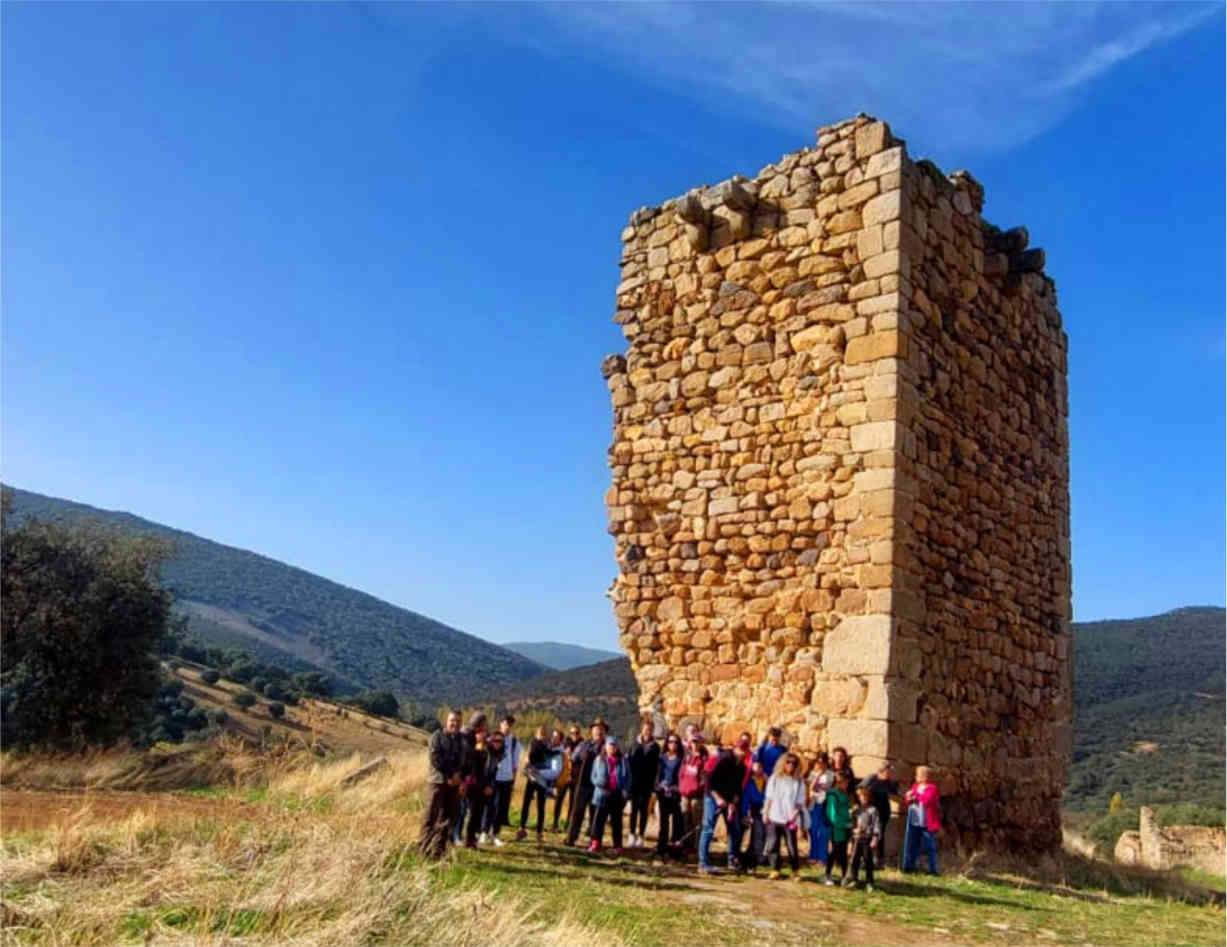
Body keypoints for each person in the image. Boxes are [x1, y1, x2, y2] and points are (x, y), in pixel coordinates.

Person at [418, 710, 465, 859]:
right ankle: (423, 850)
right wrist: (449, 776)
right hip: (437, 782)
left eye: (458, 721)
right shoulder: (437, 737)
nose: (455, 723)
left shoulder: (461, 740)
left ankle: (438, 850)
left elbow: (465, 761)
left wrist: (459, 777)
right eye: (452, 720)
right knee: (430, 816)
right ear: (446, 721)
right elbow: (436, 759)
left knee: (447, 818)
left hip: (453, 785)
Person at [698, 738, 747, 875]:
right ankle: (703, 863)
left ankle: (732, 859)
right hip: (713, 797)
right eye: (740, 749)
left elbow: (737, 789)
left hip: (728, 800)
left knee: (735, 829)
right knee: (708, 829)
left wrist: (733, 803)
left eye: (745, 750)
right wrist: (718, 798)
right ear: (735, 748)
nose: (742, 752)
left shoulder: (742, 767)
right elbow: (709, 780)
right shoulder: (724, 760)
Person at [762, 751, 806, 880]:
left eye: (794, 763)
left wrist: (794, 814)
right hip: (774, 816)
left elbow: (800, 801)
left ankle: (795, 871)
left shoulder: (798, 782)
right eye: (788, 762)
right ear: (783, 763)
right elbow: (769, 797)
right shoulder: (775, 778)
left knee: (792, 846)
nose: (791, 765)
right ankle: (775, 869)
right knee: (774, 844)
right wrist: (765, 812)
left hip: (789, 818)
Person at [565, 719, 607, 846]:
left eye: (601, 729)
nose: (598, 731)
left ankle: (594, 841)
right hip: (582, 783)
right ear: (592, 731)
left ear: (605, 732)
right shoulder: (584, 744)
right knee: (577, 812)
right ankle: (571, 838)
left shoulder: (608, 746)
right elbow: (574, 758)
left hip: (598, 786)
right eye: (596, 728)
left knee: (596, 814)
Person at [482, 715, 520, 846]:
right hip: (493, 778)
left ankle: (495, 834)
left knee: (500, 809)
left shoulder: (515, 743)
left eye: (510, 724)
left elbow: (515, 765)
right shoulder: (491, 739)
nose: (507, 726)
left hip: (507, 780)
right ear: (500, 724)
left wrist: (513, 783)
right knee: (489, 806)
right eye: (505, 723)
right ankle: (484, 832)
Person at [589, 736, 631, 854]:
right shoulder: (599, 760)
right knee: (598, 821)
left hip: (616, 794)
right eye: (610, 745)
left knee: (616, 822)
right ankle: (595, 843)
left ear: (617, 747)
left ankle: (617, 845)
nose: (612, 747)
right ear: (605, 747)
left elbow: (628, 778)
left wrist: (626, 791)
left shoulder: (623, 761)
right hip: (602, 794)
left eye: (614, 745)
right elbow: (593, 777)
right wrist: (600, 783)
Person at [453, 711, 488, 843]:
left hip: (470, 776)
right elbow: (465, 757)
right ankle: (456, 835)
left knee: (467, 809)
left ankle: (465, 837)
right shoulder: (466, 734)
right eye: (484, 724)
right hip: (463, 777)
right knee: (460, 809)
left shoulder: (471, 735)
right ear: (479, 724)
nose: (485, 727)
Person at [464, 725, 501, 848]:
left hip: (484, 786)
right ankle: (468, 840)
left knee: (478, 814)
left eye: (484, 733)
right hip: (473, 785)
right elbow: (472, 770)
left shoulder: (489, 750)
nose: (482, 735)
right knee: (472, 813)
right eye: (480, 733)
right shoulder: (472, 749)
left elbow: (492, 769)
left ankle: (473, 839)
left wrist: (489, 785)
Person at [902, 765, 941, 875]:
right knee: (912, 844)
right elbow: (908, 800)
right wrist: (908, 798)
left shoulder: (932, 788)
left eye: (918, 775)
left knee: (930, 846)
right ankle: (909, 866)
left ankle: (933, 869)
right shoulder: (915, 786)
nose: (916, 776)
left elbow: (927, 800)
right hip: (915, 820)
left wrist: (916, 794)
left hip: (926, 822)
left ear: (925, 777)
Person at [516, 725, 552, 841]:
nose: (542, 735)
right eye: (541, 733)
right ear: (537, 733)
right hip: (534, 776)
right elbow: (530, 758)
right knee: (532, 804)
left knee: (537, 805)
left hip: (538, 777)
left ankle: (536, 831)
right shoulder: (538, 744)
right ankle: (526, 829)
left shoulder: (543, 744)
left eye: (543, 733)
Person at [628, 718, 660, 848]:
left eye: (650, 729)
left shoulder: (656, 747)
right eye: (646, 729)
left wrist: (654, 785)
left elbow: (657, 767)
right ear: (642, 729)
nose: (648, 731)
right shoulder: (634, 744)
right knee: (633, 810)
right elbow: (628, 762)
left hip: (647, 783)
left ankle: (641, 835)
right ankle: (631, 834)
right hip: (634, 783)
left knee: (644, 811)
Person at [860, 761, 898, 868]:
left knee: (879, 837)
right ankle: (866, 860)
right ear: (883, 771)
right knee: (867, 836)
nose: (891, 774)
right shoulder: (871, 779)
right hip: (871, 814)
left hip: (883, 813)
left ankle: (878, 861)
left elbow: (895, 793)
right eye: (889, 772)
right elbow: (860, 790)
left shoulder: (888, 782)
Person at [846, 784, 883, 890]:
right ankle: (854, 879)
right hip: (857, 838)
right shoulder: (856, 810)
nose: (863, 799)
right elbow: (850, 823)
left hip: (867, 838)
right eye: (861, 797)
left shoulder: (873, 810)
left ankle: (869, 882)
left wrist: (875, 838)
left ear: (869, 797)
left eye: (865, 797)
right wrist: (853, 828)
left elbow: (877, 825)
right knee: (854, 860)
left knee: (868, 861)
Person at [654, 733, 684, 858]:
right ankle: (661, 848)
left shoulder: (681, 759)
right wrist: (659, 787)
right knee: (664, 823)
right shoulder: (662, 758)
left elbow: (681, 776)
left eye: (676, 742)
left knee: (677, 823)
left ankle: (675, 850)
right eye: (670, 741)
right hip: (663, 794)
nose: (673, 744)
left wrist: (676, 788)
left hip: (676, 795)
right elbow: (657, 775)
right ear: (667, 743)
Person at [678, 731, 708, 854]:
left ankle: (697, 847)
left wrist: (697, 789)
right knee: (686, 820)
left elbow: (705, 778)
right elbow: (681, 773)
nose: (694, 744)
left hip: (697, 796)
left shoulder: (703, 758)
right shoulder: (687, 757)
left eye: (697, 742)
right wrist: (681, 788)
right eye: (693, 742)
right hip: (685, 795)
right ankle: (687, 845)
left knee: (697, 823)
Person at [824, 771, 853, 885]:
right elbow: (832, 813)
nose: (847, 784)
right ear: (839, 782)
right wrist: (843, 824)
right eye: (845, 782)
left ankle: (844, 876)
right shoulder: (833, 794)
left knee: (843, 852)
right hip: (837, 828)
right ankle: (827, 875)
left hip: (845, 828)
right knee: (834, 852)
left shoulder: (844, 794)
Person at [740, 758, 768, 873]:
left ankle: (749, 863)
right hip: (755, 810)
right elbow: (746, 799)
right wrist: (746, 813)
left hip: (766, 810)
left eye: (760, 767)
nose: (758, 770)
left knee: (762, 837)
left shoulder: (767, 782)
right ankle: (750, 863)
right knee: (757, 838)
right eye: (755, 767)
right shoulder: (750, 783)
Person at [807, 752, 833, 868]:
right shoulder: (812, 774)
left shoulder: (831, 775)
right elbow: (810, 789)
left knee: (823, 832)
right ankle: (813, 856)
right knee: (813, 831)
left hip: (825, 804)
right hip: (814, 805)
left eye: (823, 762)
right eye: (818, 762)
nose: (820, 764)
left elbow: (828, 788)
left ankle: (823, 857)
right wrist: (818, 776)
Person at [552, 727, 579, 832]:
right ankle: (555, 824)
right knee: (559, 800)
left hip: (575, 779)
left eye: (576, 733)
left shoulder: (581, 745)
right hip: (563, 777)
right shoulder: (565, 744)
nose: (574, 735)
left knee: (573, 803)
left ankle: (568, 825)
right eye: (572, 733)